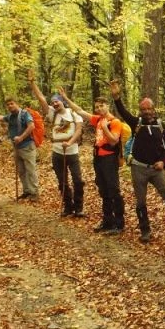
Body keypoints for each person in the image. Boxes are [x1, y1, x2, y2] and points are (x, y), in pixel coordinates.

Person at [109, 80, 165, 242]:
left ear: (154, 109)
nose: (146, 112)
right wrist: (117, 97)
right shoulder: (135, 123)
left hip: (157, 169)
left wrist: (162, 161)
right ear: (140, 111)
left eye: (149, 109)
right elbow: (123, 112)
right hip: (138, 168)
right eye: (143, 109)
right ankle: (145, 231)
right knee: (141, 201)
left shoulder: (161, 125)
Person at [59, 88, 126, 235]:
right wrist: (65, 98)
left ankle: (119, 223)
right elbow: (80, 111)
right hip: (98, 159)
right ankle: (107, 220)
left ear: (107, 106)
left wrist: (104, 128)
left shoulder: (115, 122)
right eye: (97, 107)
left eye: (102, 105)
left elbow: (114, 141)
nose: (99, 108)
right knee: (103, 190)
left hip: (110, 159)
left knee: (113, 190)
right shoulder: (98, 119)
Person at [28, 71, 84, 217]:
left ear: (62, 102)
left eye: (56, 101)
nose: (54, 103)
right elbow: (41, 99)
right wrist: (32, 83)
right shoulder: (53, 114)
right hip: (57, 153)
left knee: (78, 180)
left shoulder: (74, 113)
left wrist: (70, 142)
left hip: (72, 152)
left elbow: (78, 131)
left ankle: (79, 208)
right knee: (62, 182)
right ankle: (68, 207)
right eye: (53, 102)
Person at [0, 98, 39, 201]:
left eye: (12, 104)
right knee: (22, 171)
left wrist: (21, 137)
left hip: (27, 146)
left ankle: (35, 193)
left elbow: (31, 126)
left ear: (17, 104)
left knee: (30, 170)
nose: (10, 106)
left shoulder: (24, 114)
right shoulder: (10, 116)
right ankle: (27, 191)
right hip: (16, 147)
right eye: (8, 105)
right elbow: (0, 118)